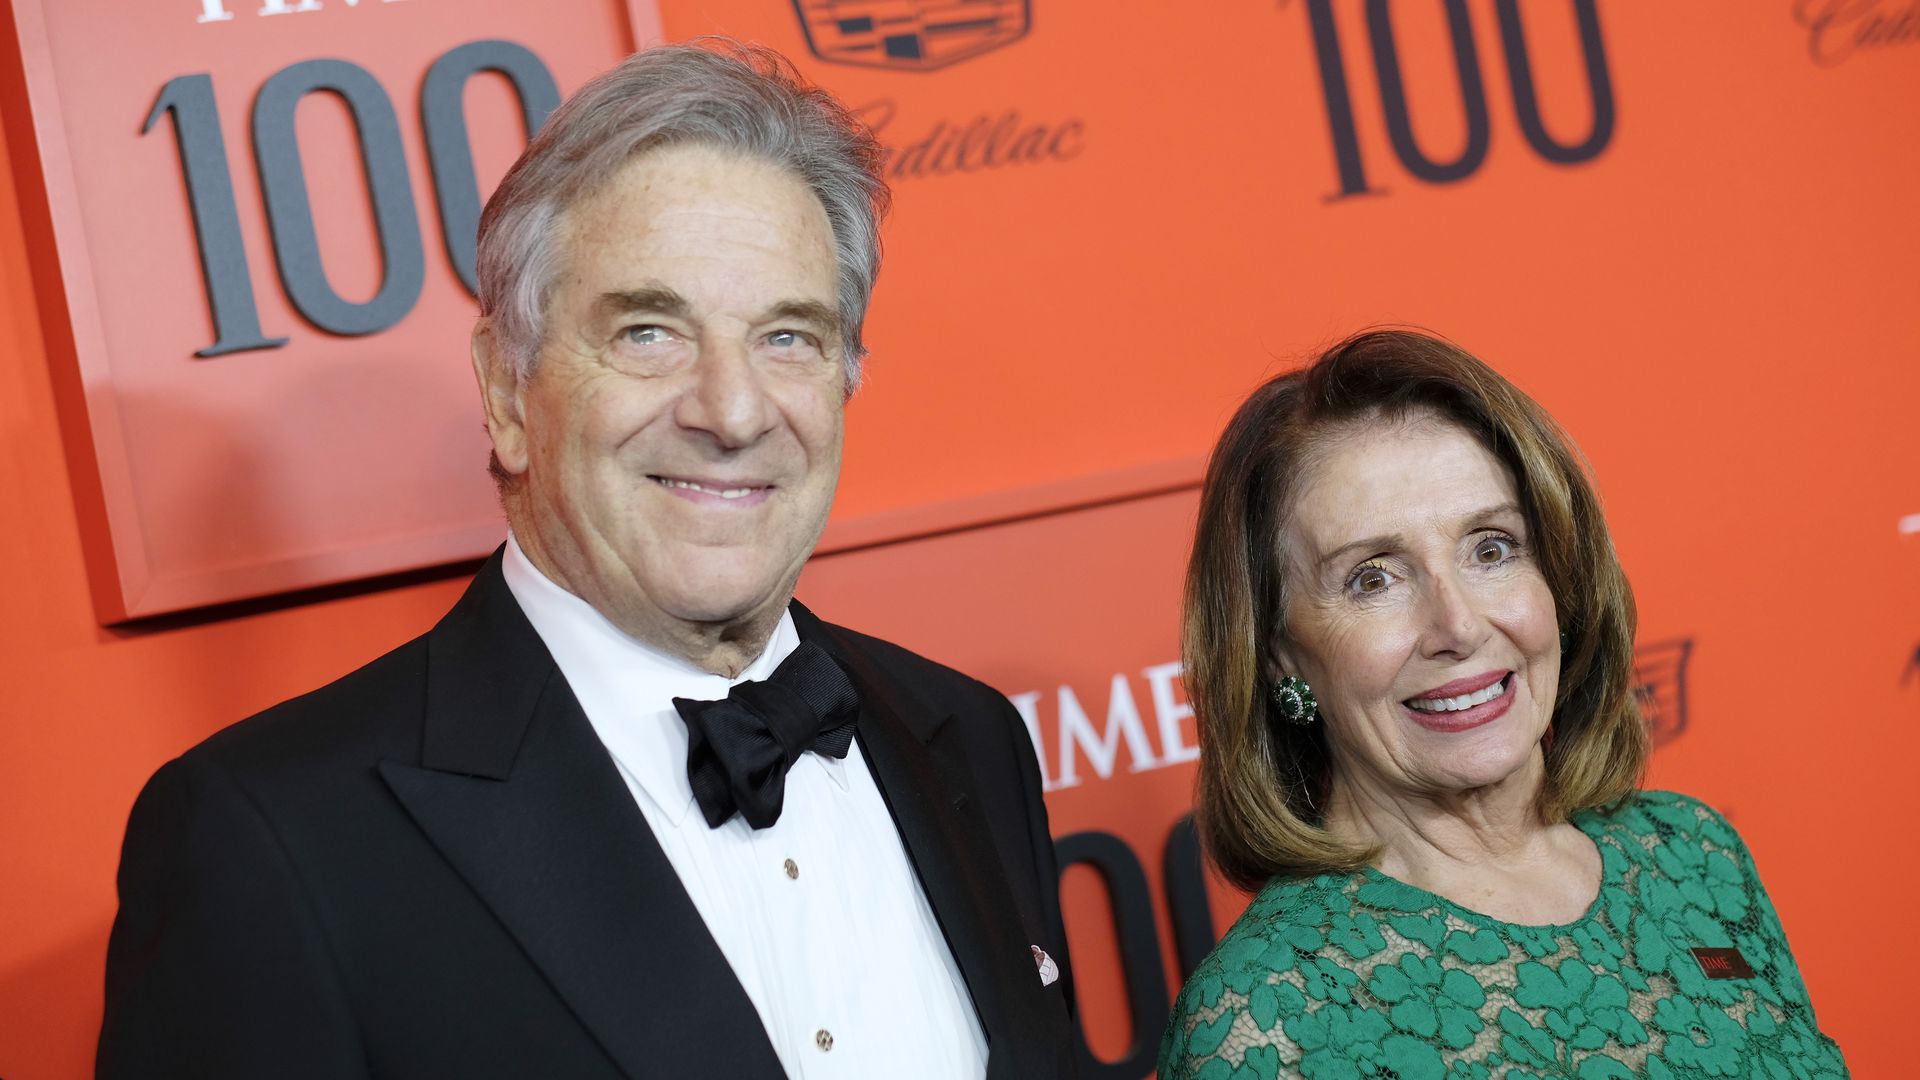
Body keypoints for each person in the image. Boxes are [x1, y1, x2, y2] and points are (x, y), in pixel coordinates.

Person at [98, 41, 1074, 1080]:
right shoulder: (272, 841)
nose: (733, 411)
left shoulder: (969, 738)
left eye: (789, 336)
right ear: (506, 394)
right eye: (650, 332)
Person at [1158, 330, 1848, 1078]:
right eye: (1373, 579)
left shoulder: (1693, 854)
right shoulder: (1266, 1022)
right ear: (1280, 655)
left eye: (1491, 548)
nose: (1458, 626)